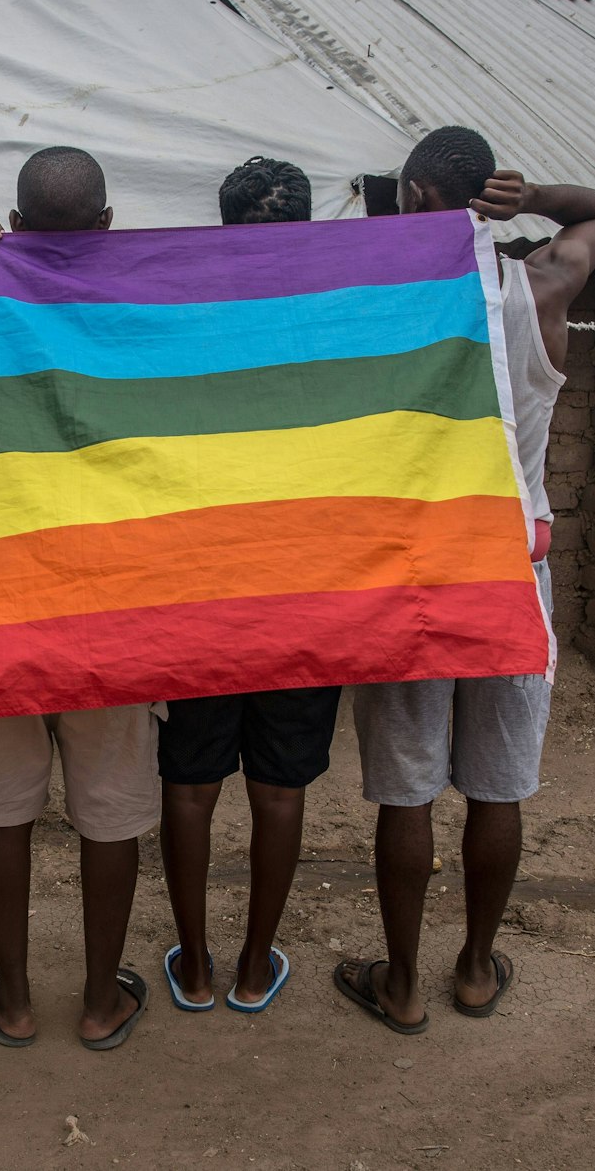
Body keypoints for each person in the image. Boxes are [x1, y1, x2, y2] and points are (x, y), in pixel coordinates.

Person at [335, 125, 595, 1034]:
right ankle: (475, 968)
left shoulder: (384, 309)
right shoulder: (541, 288)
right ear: (492, 199)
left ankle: (403, 982)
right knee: (498, 787)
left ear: (416, 198)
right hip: (512, 570)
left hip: (414, 573)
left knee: (407, 787)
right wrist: (531, 200)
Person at [0, 146, 157, 1052]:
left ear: (16, 224)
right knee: (111, 804)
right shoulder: (142, 305)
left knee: (1, 806)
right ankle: (101, 1002)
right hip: (116, 602)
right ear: (107, 225)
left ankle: (16, 1001)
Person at [157, 157, 339, 1016]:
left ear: (224, 223)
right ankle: (255, 965)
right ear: (304, 226)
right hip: (306, 590)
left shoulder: (187, 316)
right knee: (280, 787)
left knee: (191, 783)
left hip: (201, 589)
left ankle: (194, 966)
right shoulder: (335, 320)